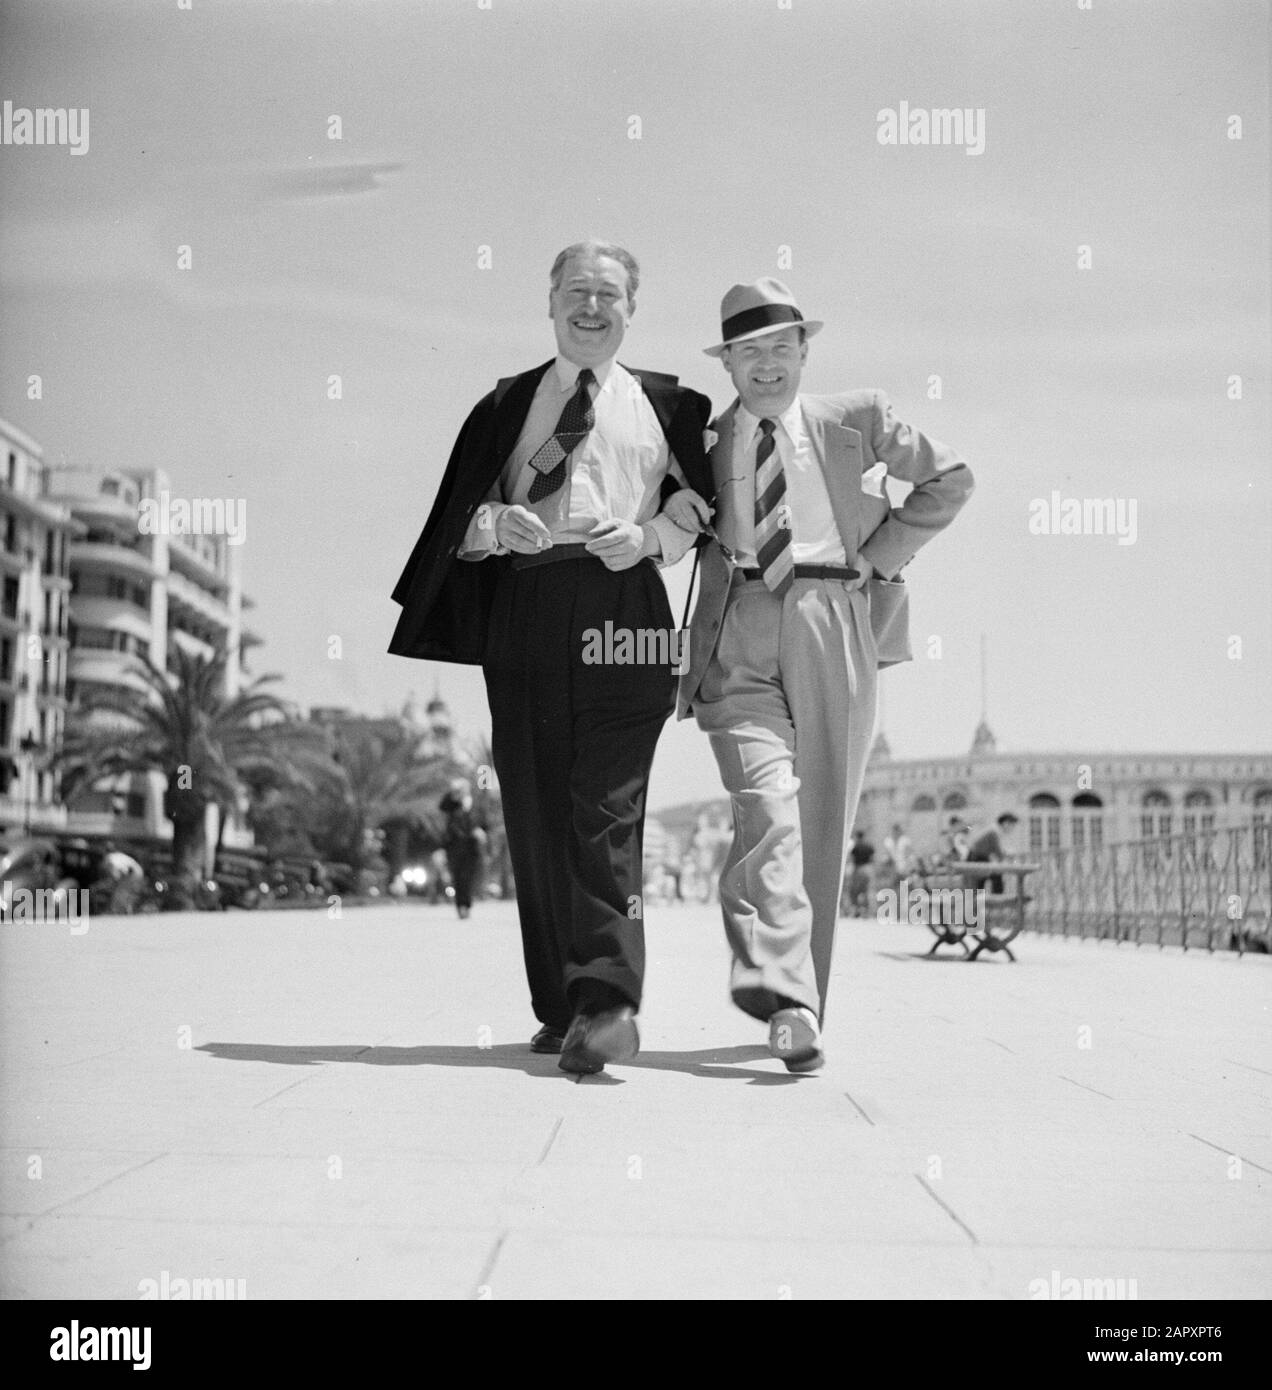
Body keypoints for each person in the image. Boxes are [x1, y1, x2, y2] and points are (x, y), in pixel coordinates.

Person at [389, 240, 713, 1075]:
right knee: (534, 807)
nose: (592, 307)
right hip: (525, 609)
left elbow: (696, 510)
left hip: (627, 611)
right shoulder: (504, 406)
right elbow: (453, 519)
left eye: (610, 294)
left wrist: (646, 537)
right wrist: (493, 527)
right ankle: (560, 1004)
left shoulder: (673, 408)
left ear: (632, 310)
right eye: (577, 291)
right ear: (550, 302)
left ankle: (605, 1000)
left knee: (606, 805)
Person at [677, 278, 974, 1072]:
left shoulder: (857, 420)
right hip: (737, 625)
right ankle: (783, 987)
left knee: (821, 825)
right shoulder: (704, 440)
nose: (766, 364)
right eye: (748, 352)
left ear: (805, 351)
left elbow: (951, 479)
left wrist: (876, 560)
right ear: (728, 364)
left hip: (835, 616)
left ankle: (800, 1005)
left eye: (780, 347)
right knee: (765, 804)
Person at [438, 778, 486, 919]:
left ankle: (466, 904)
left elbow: (485, 822)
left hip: (472, 846)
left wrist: (480, 831)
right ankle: (461, 906)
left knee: (467, 877)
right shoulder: (452, 803)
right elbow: (442, 806)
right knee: (458, 877)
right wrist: (453, 792)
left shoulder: (476, 804)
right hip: (454, 846)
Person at [967, 812, 1020, 895]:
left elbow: (997, 851)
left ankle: (993, 900)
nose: (1012, 828)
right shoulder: (994, 831)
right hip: (977, 857)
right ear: (1006, 823)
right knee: (993, 878)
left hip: (980, 857)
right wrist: (1011, 861)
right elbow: (997, 851)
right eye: (1012, 825)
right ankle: (997, 901)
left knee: (986, 880)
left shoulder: (994, 830)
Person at [845, 829, 876, 917]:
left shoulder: (856, 847)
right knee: (866, 890)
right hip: (868, 869)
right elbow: (873, 859)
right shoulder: (869, 846)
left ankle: (856, 909)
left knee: (854, 891)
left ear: (857, 837)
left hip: (858, 869)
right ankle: (866, 910)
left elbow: (851, 859)